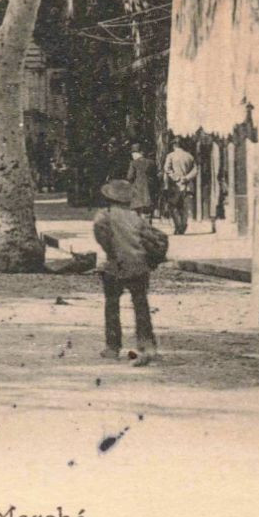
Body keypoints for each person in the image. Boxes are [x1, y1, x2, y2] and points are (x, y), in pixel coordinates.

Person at [91, 179, 166, 367]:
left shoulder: (103, 216)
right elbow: (152, 238)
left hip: (115, 265)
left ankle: (113, 347)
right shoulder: (136, 217)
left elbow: (103, 239)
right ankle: (147, 344)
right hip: (139, 265)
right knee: (141, 304)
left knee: (112, 306)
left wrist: (113, 253)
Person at [161, 139, 199, 237]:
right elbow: (195, 170)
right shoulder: (189, 156)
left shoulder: (170, 156)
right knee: (184, 207)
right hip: (187, 185)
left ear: (174, 145)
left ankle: (178, 226)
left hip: (175, 186)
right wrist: (186, 178)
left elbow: (167, 169)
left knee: (173, 206)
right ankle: (183, 225)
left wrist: (176, 178)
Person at [125, 143, 156, 221]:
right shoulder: (151, 162)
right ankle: (146, 225)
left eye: (132, 153)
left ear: (136, 153)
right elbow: (155, 176)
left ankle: (138, 227)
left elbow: (130, 177)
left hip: (137, 189)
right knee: (146, 209)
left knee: (136, 209)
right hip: (149, 189)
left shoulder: (133, 163)